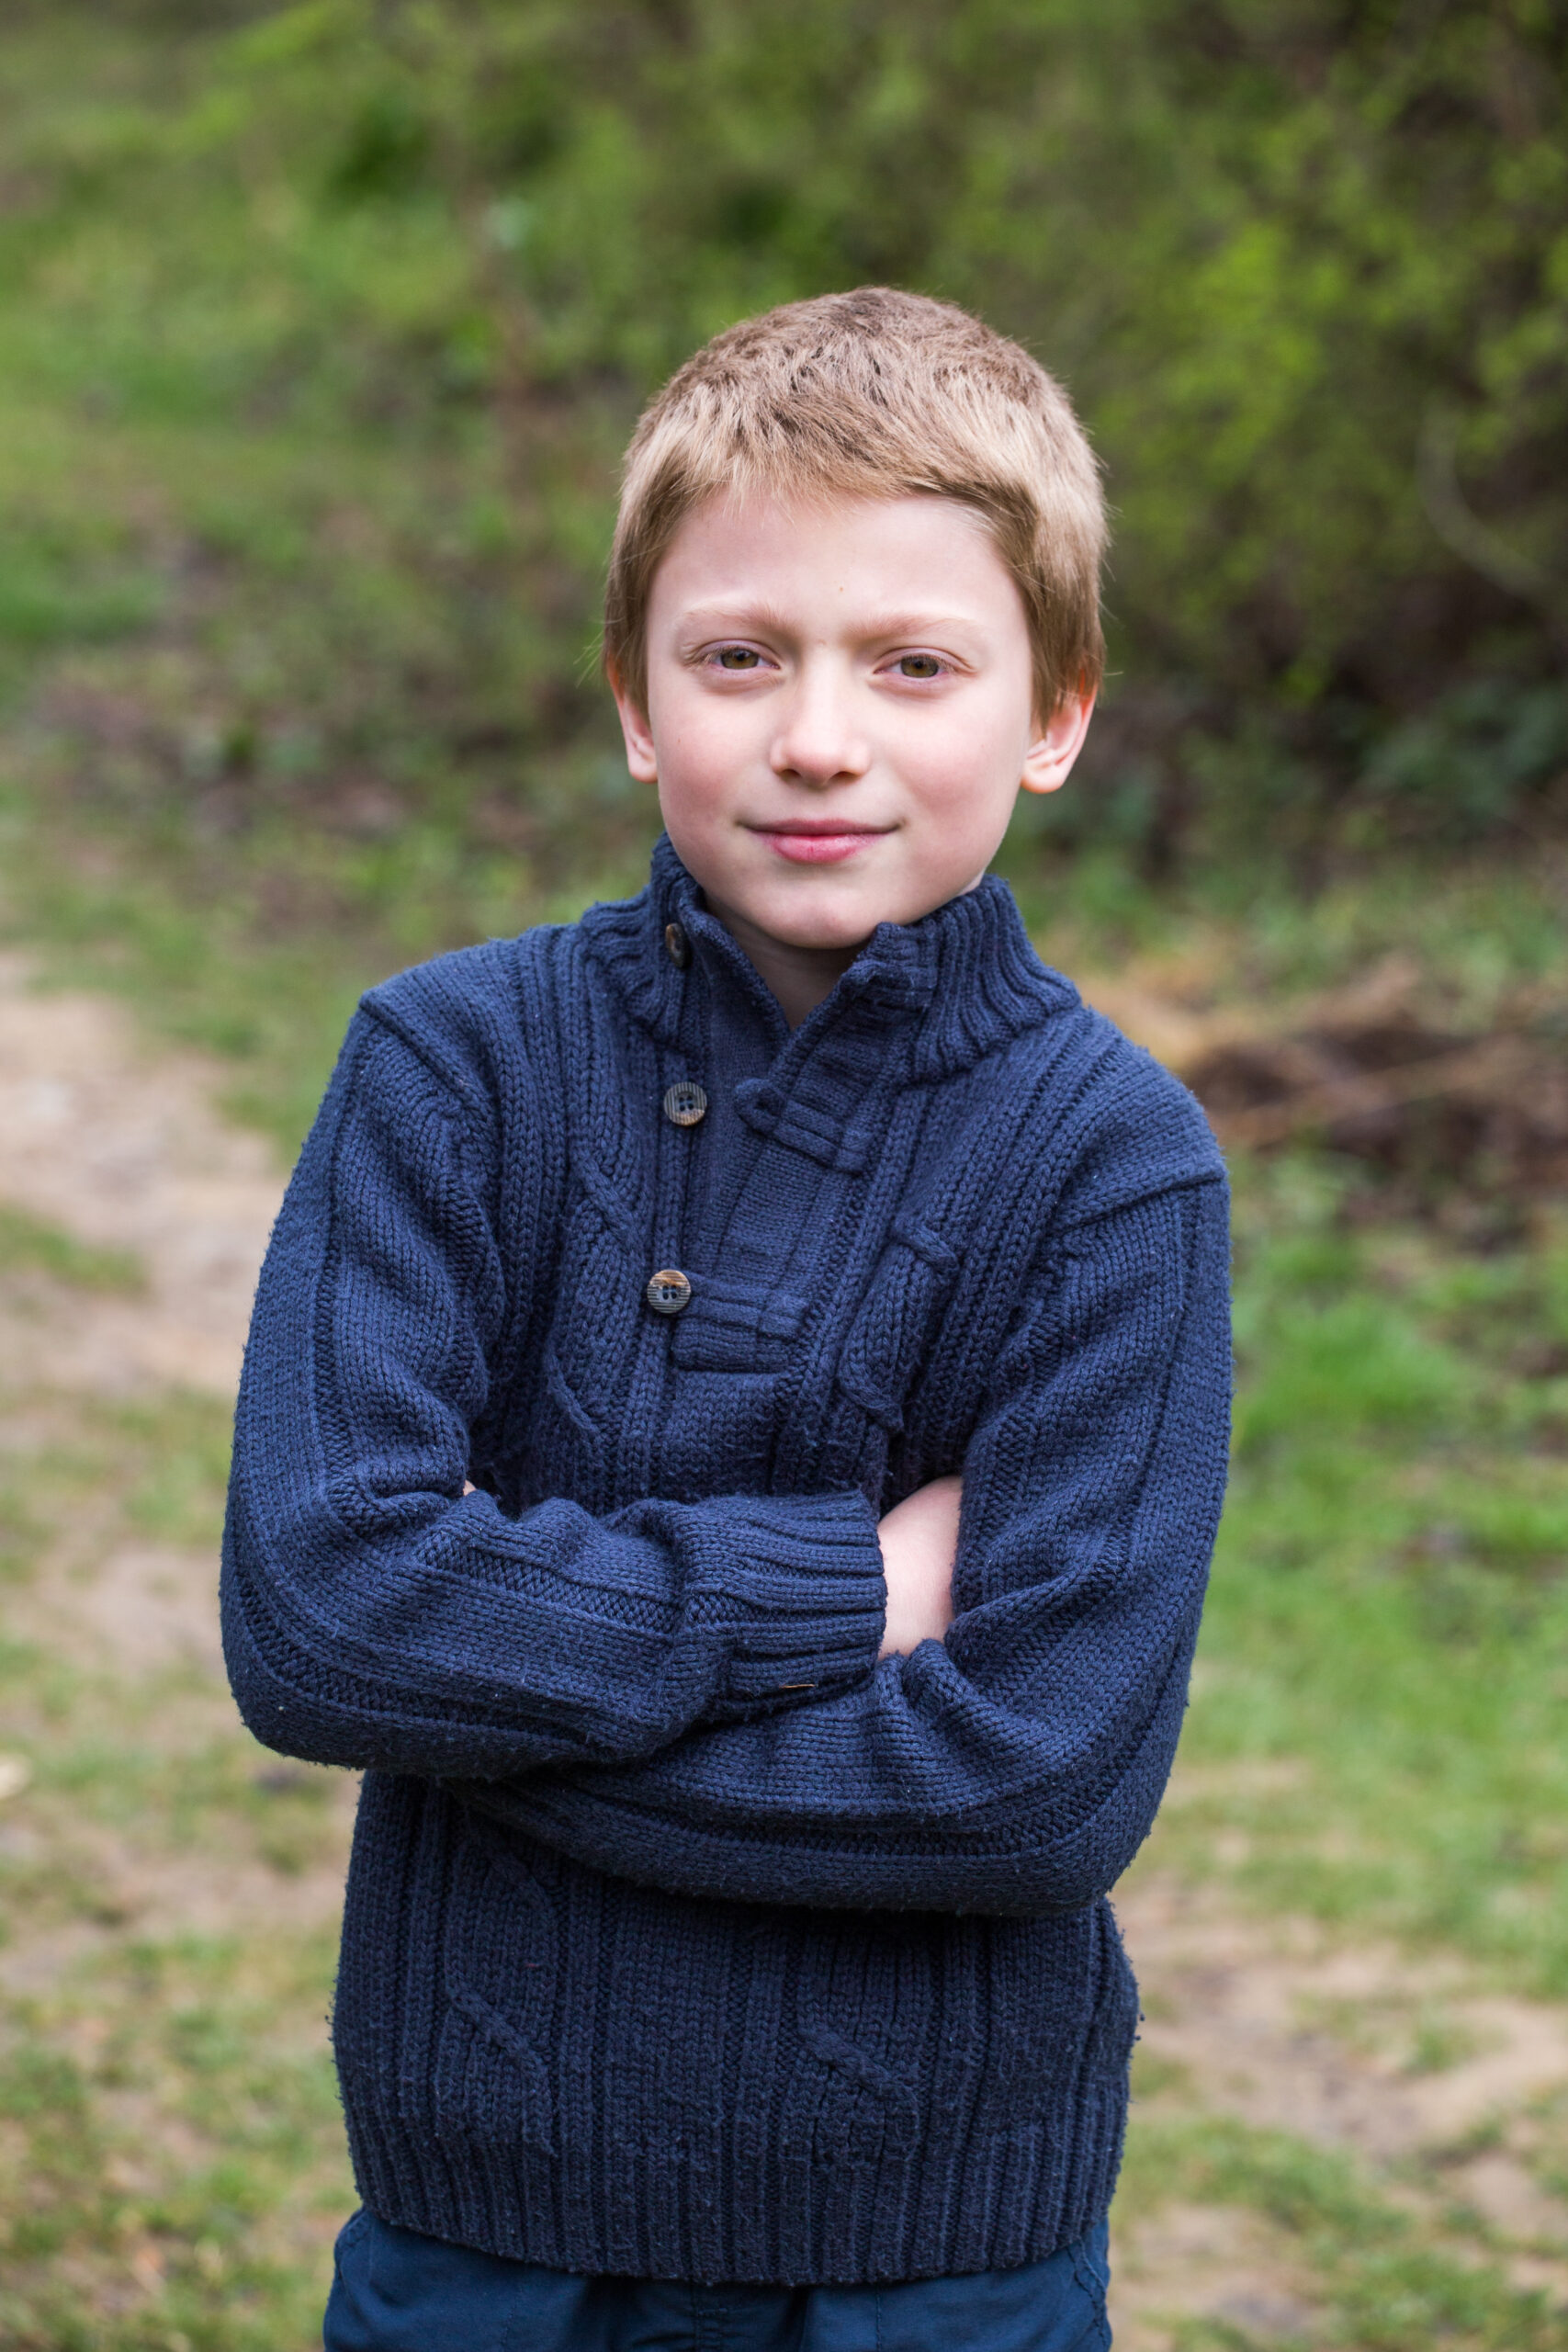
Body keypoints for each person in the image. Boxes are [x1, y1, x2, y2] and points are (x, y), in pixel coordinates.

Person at [221, 286, 1231, 2351]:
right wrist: (841, 1592)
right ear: (632, 697)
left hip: (935, 2259)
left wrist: (501, 1723)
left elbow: (1038, 1784)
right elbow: (326, 1615)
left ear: (1054, 714)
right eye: (739, 656)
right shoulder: (451, 1070)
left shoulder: (1115, 1169)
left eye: (914, 663)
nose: (818, 737)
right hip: (487, 2228)